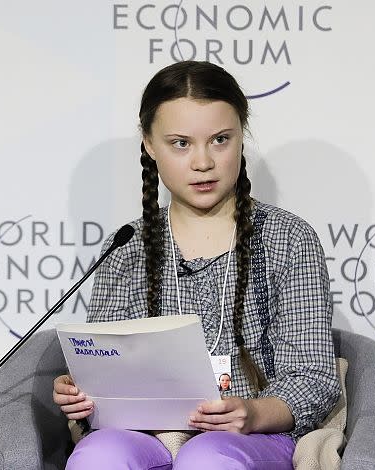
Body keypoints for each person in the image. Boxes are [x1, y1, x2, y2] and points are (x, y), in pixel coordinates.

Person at [52, 61, 340, 469]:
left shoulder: (288, 239)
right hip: (144, 436)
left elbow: (312, 378)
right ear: (150, 145)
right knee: (99, 456)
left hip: (254, 438)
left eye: (220, 139)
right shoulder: (127, 247)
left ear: (242, 138)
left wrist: (253, 413)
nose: (203, 162)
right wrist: (81, 394)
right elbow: (106, 373)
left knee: (208, 458)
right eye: (181, 143)